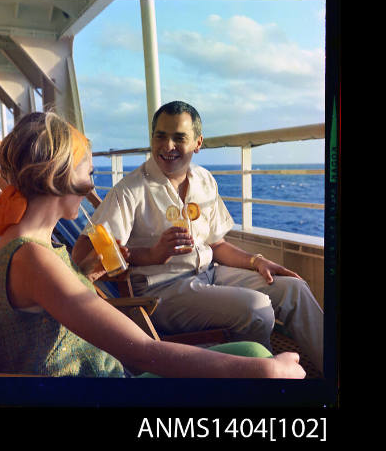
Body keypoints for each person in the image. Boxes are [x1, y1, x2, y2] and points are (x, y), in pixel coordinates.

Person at [0, 109, 305, 378]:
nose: (92, 186)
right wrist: (268, 371)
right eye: (90, 173)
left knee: (253, 350)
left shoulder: (18, 246)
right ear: (60, 175)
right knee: (257, 358)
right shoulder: (35, 260)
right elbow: (145, 353)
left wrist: (86, 277)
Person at [72, 100, 324, 375]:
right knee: (256, 308)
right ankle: (264, 383)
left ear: (197, 143)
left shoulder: (205, 181)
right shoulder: (130, 191)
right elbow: (82, 253)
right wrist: (151, 254)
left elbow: (216, 245)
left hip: (210, 274)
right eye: (160, 136)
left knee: (293, 289)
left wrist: (256, 261)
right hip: (161, 290)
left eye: (179, 137)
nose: (167, 146)